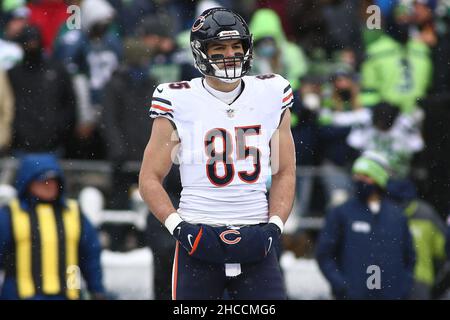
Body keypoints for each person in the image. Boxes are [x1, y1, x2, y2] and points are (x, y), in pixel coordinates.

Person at [139, 7, 296, 300]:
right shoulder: (177, 97)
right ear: (201, 52)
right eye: (220, 47)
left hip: (256, 234)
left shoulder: (272, 92)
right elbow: (149, 178)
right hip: (198, 233)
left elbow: (284, 170)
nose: (230, 54)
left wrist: (275, 225)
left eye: (236, 46)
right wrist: (178, 227)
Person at [0, 154, 105, 299]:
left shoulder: (73, 212)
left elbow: (90, 256)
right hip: (21, 296)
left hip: (68, 295)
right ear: (28, 182)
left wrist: (97, 290)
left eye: (53, 181)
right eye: (44, 181)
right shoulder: (10, 214)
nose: (50, 186)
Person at [316, 152, 416, 299]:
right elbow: (324, 255)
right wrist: (342, 286)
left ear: (378, 179)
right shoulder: (341, 212)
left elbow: (410, 257)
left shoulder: (397, 215)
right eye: (356, 174)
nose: (359, 179)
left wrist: (403, 288)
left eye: (366, 175)